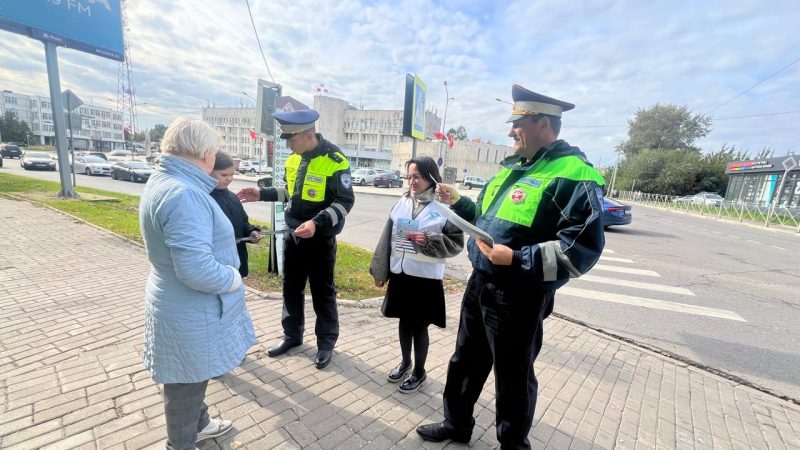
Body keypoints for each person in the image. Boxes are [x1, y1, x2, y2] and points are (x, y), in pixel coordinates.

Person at [416, 85, 606, 449]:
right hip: (481, 283)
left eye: (517, 124)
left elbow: (580, 250)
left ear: (543, 124)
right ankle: (457, 424)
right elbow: (487, 221)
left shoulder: (575, 174)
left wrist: (518, 259)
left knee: (513, 377)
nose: (510, 132)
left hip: (520, 295)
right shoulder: (512, 169)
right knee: (465, 361)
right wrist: (460, 203)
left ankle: (513, 445)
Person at [139, 118, 257, 450]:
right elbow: (196, 270)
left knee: (191, 372)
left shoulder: (167, 180)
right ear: (206, 154)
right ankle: (180, 444)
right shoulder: (184, 194)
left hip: (181, 302)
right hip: (190, 307)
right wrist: (233, 278)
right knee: (185, 384)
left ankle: (200, 424)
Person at [237, 109, 354, 370]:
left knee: (323, 291)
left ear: (308, 135)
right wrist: (261, 194)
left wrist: (316, 223)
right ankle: (292, 335)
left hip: (320, 238)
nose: (288, 146)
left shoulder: (335, 160)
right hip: (293, 235)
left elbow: (345, 201)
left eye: (291, 140)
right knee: (290, 287)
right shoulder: (294, 159)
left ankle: (326, 342)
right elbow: (291, 193)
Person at [369, 156, 464, 394]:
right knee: (404, 323)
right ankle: (405, 363)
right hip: (400, 275)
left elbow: (456, 243)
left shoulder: (443, 208)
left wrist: (430, 240)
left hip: (425, 279)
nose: (411, 181)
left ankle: (419, 372)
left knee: (419, 327)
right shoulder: (402, 202)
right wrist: (381, 271)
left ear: (430, 178)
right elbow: (386, 239)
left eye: (417, 177)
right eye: (409, 176)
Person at [210, 151, 262, 278]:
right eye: (224, 175)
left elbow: (243, 222)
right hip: (218, 267)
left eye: (232, 174)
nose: (229, 179)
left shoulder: (233, 197)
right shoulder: (205, 199)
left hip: (239, 262)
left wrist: (251, 232)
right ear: (209, 171)